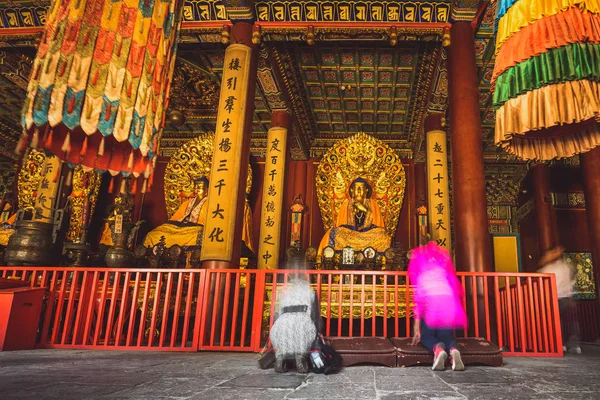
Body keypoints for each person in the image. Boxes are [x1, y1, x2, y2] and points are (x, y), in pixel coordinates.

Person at [408, 241, 467, 371]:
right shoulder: (442, 269)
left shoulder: (422, 275)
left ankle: (438, 350)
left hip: (432, 302)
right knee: (446, 335)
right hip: (448, 299)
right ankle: (453, 350)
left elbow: (418, 301)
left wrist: (417, 328)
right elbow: (454, 282)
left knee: (426, 335)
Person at [317, 177, 390, 255]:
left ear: (366, 190)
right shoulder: (346, 204)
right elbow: (341, 225)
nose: (358, 190)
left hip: (368, 234)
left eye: (361, 188)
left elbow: (377, 224)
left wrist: (365, 210)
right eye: (356, 188)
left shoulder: (372, 204)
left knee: (382, 235)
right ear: (352, 190)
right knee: (333, 232)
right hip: (350, 235)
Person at [538, 246, 581, 354]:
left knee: (558, 321)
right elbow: (571, 281)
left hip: (556, 297)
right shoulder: (566, 266)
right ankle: (574, 345)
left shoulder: (548, 268)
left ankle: (560, 344)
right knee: (571, 322)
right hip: (567, 297)